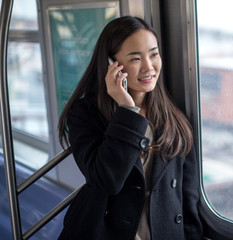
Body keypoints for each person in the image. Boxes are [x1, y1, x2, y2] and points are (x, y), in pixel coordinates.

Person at [57, 16, 203, 240]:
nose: (149, 66)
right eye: (135, 58)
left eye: (154, 54)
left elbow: (187, 198)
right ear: (110, 64)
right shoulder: (85, 114)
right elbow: (106, 180)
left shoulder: (172, 118)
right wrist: (126, 109)